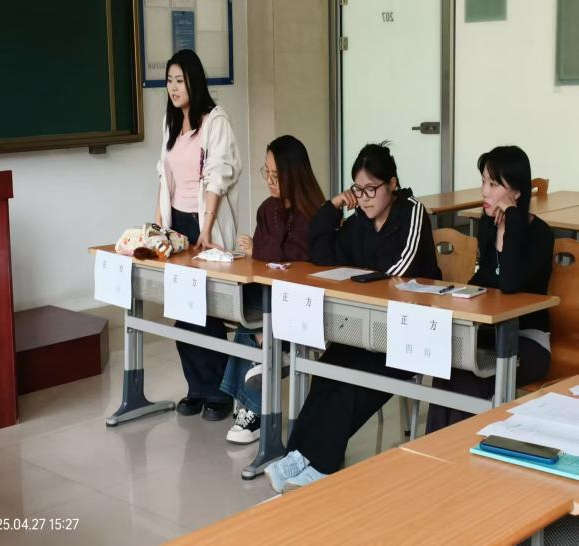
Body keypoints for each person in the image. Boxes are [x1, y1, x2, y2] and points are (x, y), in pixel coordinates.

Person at [264, 142, 441, 492]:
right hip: (369, 327)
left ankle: (323, 464)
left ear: (392, 184)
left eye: (371, 189)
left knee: (351, 382)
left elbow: (399, 270)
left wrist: (359, 280)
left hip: (410, 335)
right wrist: (333, 207)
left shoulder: (412, 211)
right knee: (329, 370)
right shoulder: (359, 219)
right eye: (358, 190)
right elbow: (323, 254)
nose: (364, 198)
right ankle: (297, 454)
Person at [426, 146, 553, 432]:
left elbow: (509, 284)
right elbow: (484, 280)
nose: (484, 191)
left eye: (493, 184)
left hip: (526, 341)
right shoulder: (488, 226)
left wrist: (512, 225)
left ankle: (455, 451)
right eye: (483, 181)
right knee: (447, 370)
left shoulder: (540, 235)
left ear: (517, 192)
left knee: (471, 379)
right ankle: (434, 450)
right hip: (487, 336)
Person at [221, 135, 326, 444]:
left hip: (302, 302)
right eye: (265, 172)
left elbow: (294, 256)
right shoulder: (268, 209)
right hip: (269, 296)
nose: (269, 180)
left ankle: (253, 411)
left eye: (276, 175)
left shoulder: (314, 212)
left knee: (252, 322)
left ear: (294, 174)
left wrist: (261, 249)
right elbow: (266, 256)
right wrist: (262, 250)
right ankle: (270, 357)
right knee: (248, 313)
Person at [155, 49, 241, 421]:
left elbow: (218, 177)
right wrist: (156, 226)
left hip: (204, 224)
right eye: (169, 81)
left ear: (194, 81)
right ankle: (197, 387)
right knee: (183, 312)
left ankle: (220, 392)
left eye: (180, 80)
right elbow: (164, 178)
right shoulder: (171, 123)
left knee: (207, 312)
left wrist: (205, 230)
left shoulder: (215, 121)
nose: (174, 88)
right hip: (176, 226)